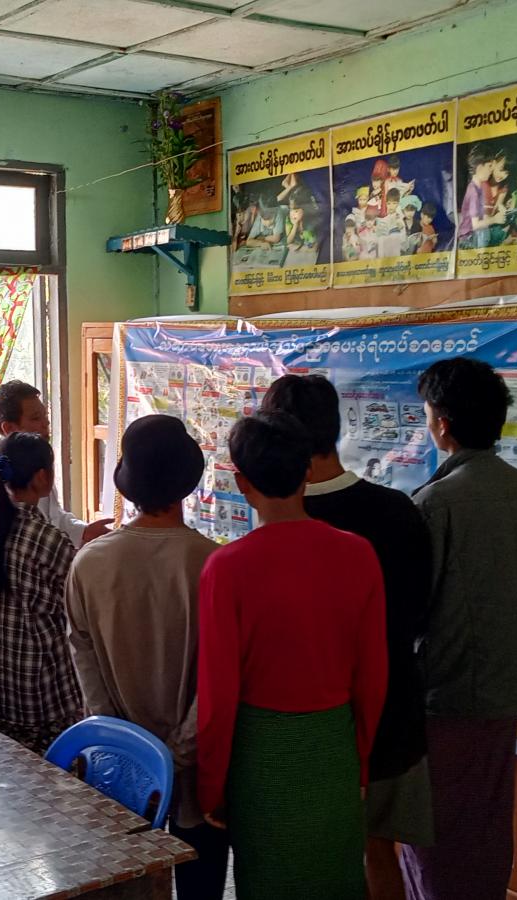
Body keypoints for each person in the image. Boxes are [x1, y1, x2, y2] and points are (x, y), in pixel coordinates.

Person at [197, 412, 388, 897]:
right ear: (307, 470)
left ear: (242, 482)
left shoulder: (226, 568)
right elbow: (373, 680)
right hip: (334, 752)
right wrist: (359, 763)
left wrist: (212, 786)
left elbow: (218, 698)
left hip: (260, 761)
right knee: (337, 880)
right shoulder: (359, 554)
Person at [260, 375, 434, 900]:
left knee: (313, 859)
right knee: (381, 852)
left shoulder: (284, 522)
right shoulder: (398, 509)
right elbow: (418, 615)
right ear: (335, 428)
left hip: (315, 726)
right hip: (394, 716)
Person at [400, 358, 517, 900]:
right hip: (506, 688)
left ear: (442, 423)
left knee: (435, 828)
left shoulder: (436, 502)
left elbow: (415, 607)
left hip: (450, 691)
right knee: (487, 821)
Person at [64, 415, 225, 900]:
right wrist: (178, 752)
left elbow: (85, 660)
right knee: (201, 882)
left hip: (119, 767)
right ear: (187, 483)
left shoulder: (89, 562)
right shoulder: (212, 564)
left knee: (129, 883)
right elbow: (217, 678)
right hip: (197, 768)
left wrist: (124, 742)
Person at [0, 432, 82, 754]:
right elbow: (81, 609)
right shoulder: (47, 540)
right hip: (45, 698)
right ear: (42, 477)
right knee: (55, 779)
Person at [0, 381, 111, 547]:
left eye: (46, 416)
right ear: (9, 428)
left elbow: (53, 516)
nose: (46, 424)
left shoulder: (37, 460)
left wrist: (84, 531)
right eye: (36, 418)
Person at [459, 144, 507, 250]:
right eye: (489, 166)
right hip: (469, 239)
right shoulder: (474, 191)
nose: (491, 170)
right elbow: (475, 225)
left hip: (475, 236)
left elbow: (483, 217)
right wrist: (494, 219)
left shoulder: (479, 187)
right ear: (480, 167)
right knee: (487, 233)